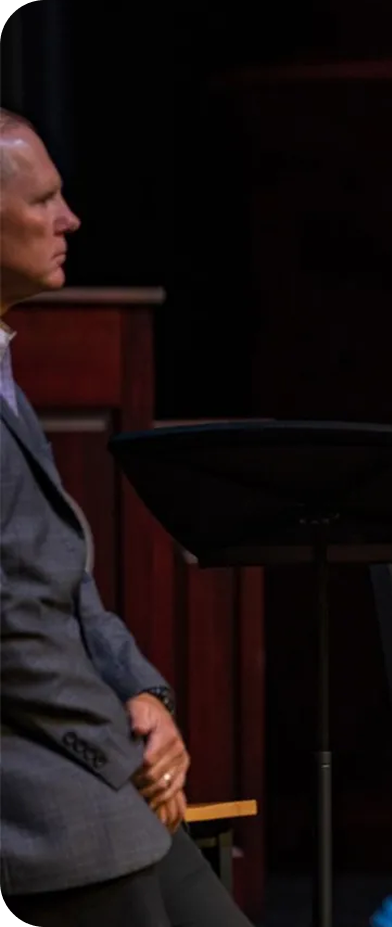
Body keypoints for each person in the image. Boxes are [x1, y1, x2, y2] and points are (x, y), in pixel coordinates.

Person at [0, 108, 253, 927]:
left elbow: (66, 581)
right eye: (44, 200)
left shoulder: (3, 367)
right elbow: (10, 628)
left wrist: (143, 691)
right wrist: (126, 744)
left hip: (97, 769)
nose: (70, 219)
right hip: (41, 799)